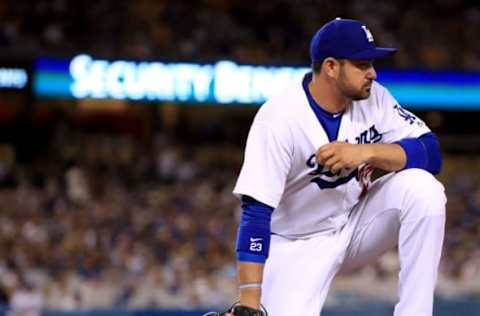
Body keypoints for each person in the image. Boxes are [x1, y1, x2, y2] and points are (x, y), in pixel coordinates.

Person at [207, 17, 447, 316]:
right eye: (361, 64)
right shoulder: (279, 118)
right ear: (331, 67)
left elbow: (431, 153)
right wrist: (249, 302)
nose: (372, 72)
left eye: (371, 63)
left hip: (355, 225)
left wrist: (365, 152)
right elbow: (256, 212)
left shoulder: (377, 99)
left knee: (424, 190)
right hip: (296, 243)